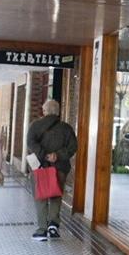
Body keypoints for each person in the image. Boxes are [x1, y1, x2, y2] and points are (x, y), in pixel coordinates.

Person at [26, 99, 78, 241]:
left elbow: (30, 142)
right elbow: (73, 147)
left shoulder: (35, 125)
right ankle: (53, 226)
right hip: (60, 168)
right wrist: (57, 156)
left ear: (44, 111)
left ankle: (42, 230)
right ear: (58, 112)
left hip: (40, 167)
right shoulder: (66, 128)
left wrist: (43, 154)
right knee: (56, 194)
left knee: (41, 196)